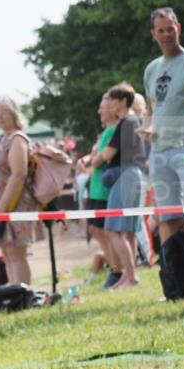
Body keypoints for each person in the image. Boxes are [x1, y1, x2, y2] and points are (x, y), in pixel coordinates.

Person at [141, 8, 184, 248]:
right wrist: (147, 128)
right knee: (168, 217)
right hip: (159, 152)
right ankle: (175, 279)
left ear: (178, 28)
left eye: (170, 29)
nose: (166, 34)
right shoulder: (151, 69)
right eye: (161, 30)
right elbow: (151, 110)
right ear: (153, 34)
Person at [0, 96, 44, 285]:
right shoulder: (4, 139)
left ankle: (22, 294)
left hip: (16, 203)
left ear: (14, 114)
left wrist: (2, 206)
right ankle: (13, 291)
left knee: (17, 252)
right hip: (2, 203)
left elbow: (19, 174)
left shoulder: (17, 139)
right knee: (7, 251)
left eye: (4, 112)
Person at [91, 83, 146, 290]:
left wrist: (95, 159)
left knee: (113, 229)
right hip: (134, 175)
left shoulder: (125, 122)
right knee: (128, 231)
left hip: (125, 176)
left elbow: (108, 154)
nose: (110, 105)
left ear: (123, 101)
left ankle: (130, 276)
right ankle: (128, 275)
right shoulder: (136, 121)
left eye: (112, 100)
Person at [83, 95, 123, 287]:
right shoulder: (106, 132)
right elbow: (94, 158)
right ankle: (114, 266)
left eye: (103, 107)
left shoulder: (113, 130)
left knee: (104, 231)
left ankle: (117, 269)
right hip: (96, 187)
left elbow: (99, 159)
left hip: (104, 189)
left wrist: (93, 159)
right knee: (95, 229)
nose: (99, 111)